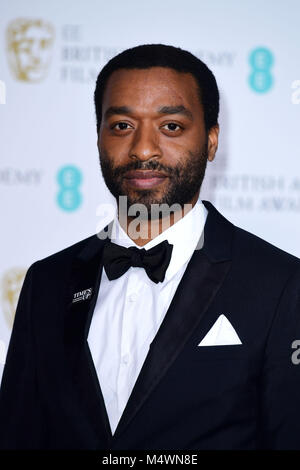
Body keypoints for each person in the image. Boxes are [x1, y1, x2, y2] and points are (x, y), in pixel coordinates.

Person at [1, 44, 300, 450]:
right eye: (122, 125)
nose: (143, 149)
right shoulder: (46, 282)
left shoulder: (281, 284)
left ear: (212, 141)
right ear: (99, 138)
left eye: (171, 127)